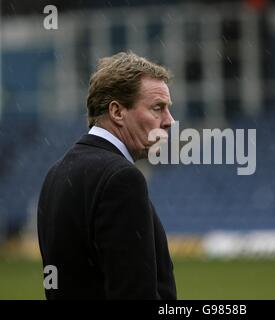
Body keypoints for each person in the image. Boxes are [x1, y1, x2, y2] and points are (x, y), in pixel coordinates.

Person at [37, 52, 177, 299]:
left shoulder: (56, 173)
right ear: (117, 112)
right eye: (158, 108)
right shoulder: (121, 178)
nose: (170, 121)